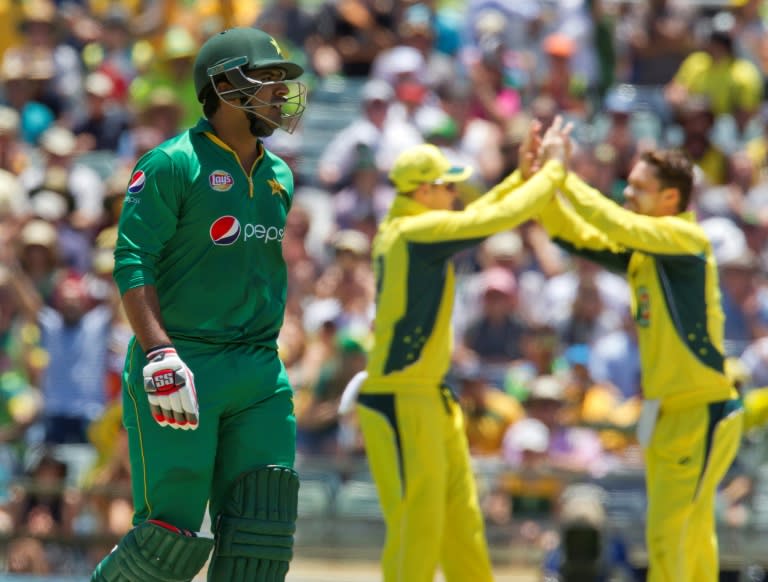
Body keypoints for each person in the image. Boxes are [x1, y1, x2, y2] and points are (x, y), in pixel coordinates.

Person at [91, 27, 308, 582]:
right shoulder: (170, 164)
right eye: (269, 80)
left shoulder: (279, 174)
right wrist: (159, 354)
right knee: (170, 539)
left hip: (259, 369)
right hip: (182, 365)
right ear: (226, 85)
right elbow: (133, 259)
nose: (281, 93)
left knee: (261, 533)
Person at [345, 132, 569, 581]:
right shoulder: (414, 230)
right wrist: (552, 172)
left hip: (426, 395)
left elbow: (480, 215)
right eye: (448, 186)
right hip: (399, 397)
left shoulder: (412, 225)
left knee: (461, 518)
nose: (456, 193)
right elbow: (493, 220)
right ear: (424, 191)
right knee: (419, 525)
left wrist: (520, 178)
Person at [533, 118, 744, 582]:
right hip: (666, 413)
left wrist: (560, 173)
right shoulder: (646, 251)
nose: (627, 194)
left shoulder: (685, 240)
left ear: (671, 198)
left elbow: (612, 220)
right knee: (690, 530)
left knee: (669, 533)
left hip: (701, 410)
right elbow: (575, 237)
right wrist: (542, 189)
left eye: (638, 188)